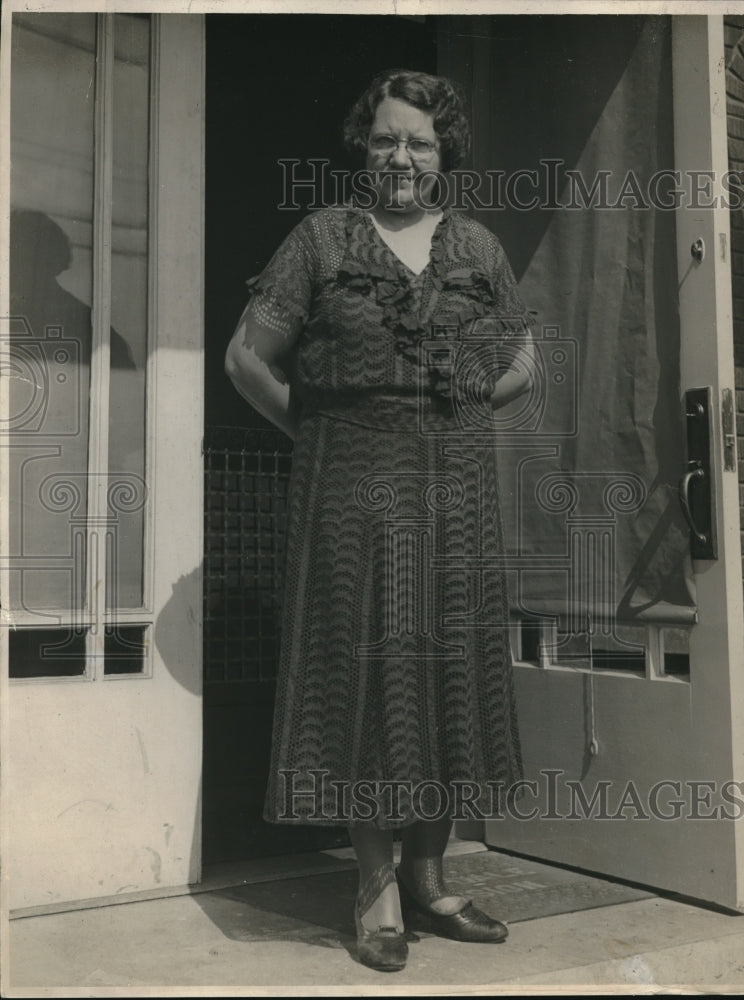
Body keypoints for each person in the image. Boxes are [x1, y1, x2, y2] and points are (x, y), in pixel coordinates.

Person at [225, 68, 536, 973]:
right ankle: (374, 887)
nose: (402, 156)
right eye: (388, 138)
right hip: (351, 488)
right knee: (368, 675)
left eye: (421, 143)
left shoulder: (477, 248)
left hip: (456, 495)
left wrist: (474, 403)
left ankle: (433, 879)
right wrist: (319, 431)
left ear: (445, 159)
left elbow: (523, 358)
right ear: (365, 145)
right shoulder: (321, 240)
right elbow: (248, 360)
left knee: (444, 668)